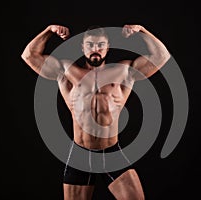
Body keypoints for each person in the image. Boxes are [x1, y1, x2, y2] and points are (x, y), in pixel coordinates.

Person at [21, 23, 170, 200]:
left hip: (111, 153)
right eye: (90, 45)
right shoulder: (67, 71)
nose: (95, 49)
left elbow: (162, 56)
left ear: (107, 47)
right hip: (80, 155)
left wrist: (142, 31)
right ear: (83, 47)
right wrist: (48, 30)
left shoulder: (123, 72)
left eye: (100, 45)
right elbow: (29, 56)